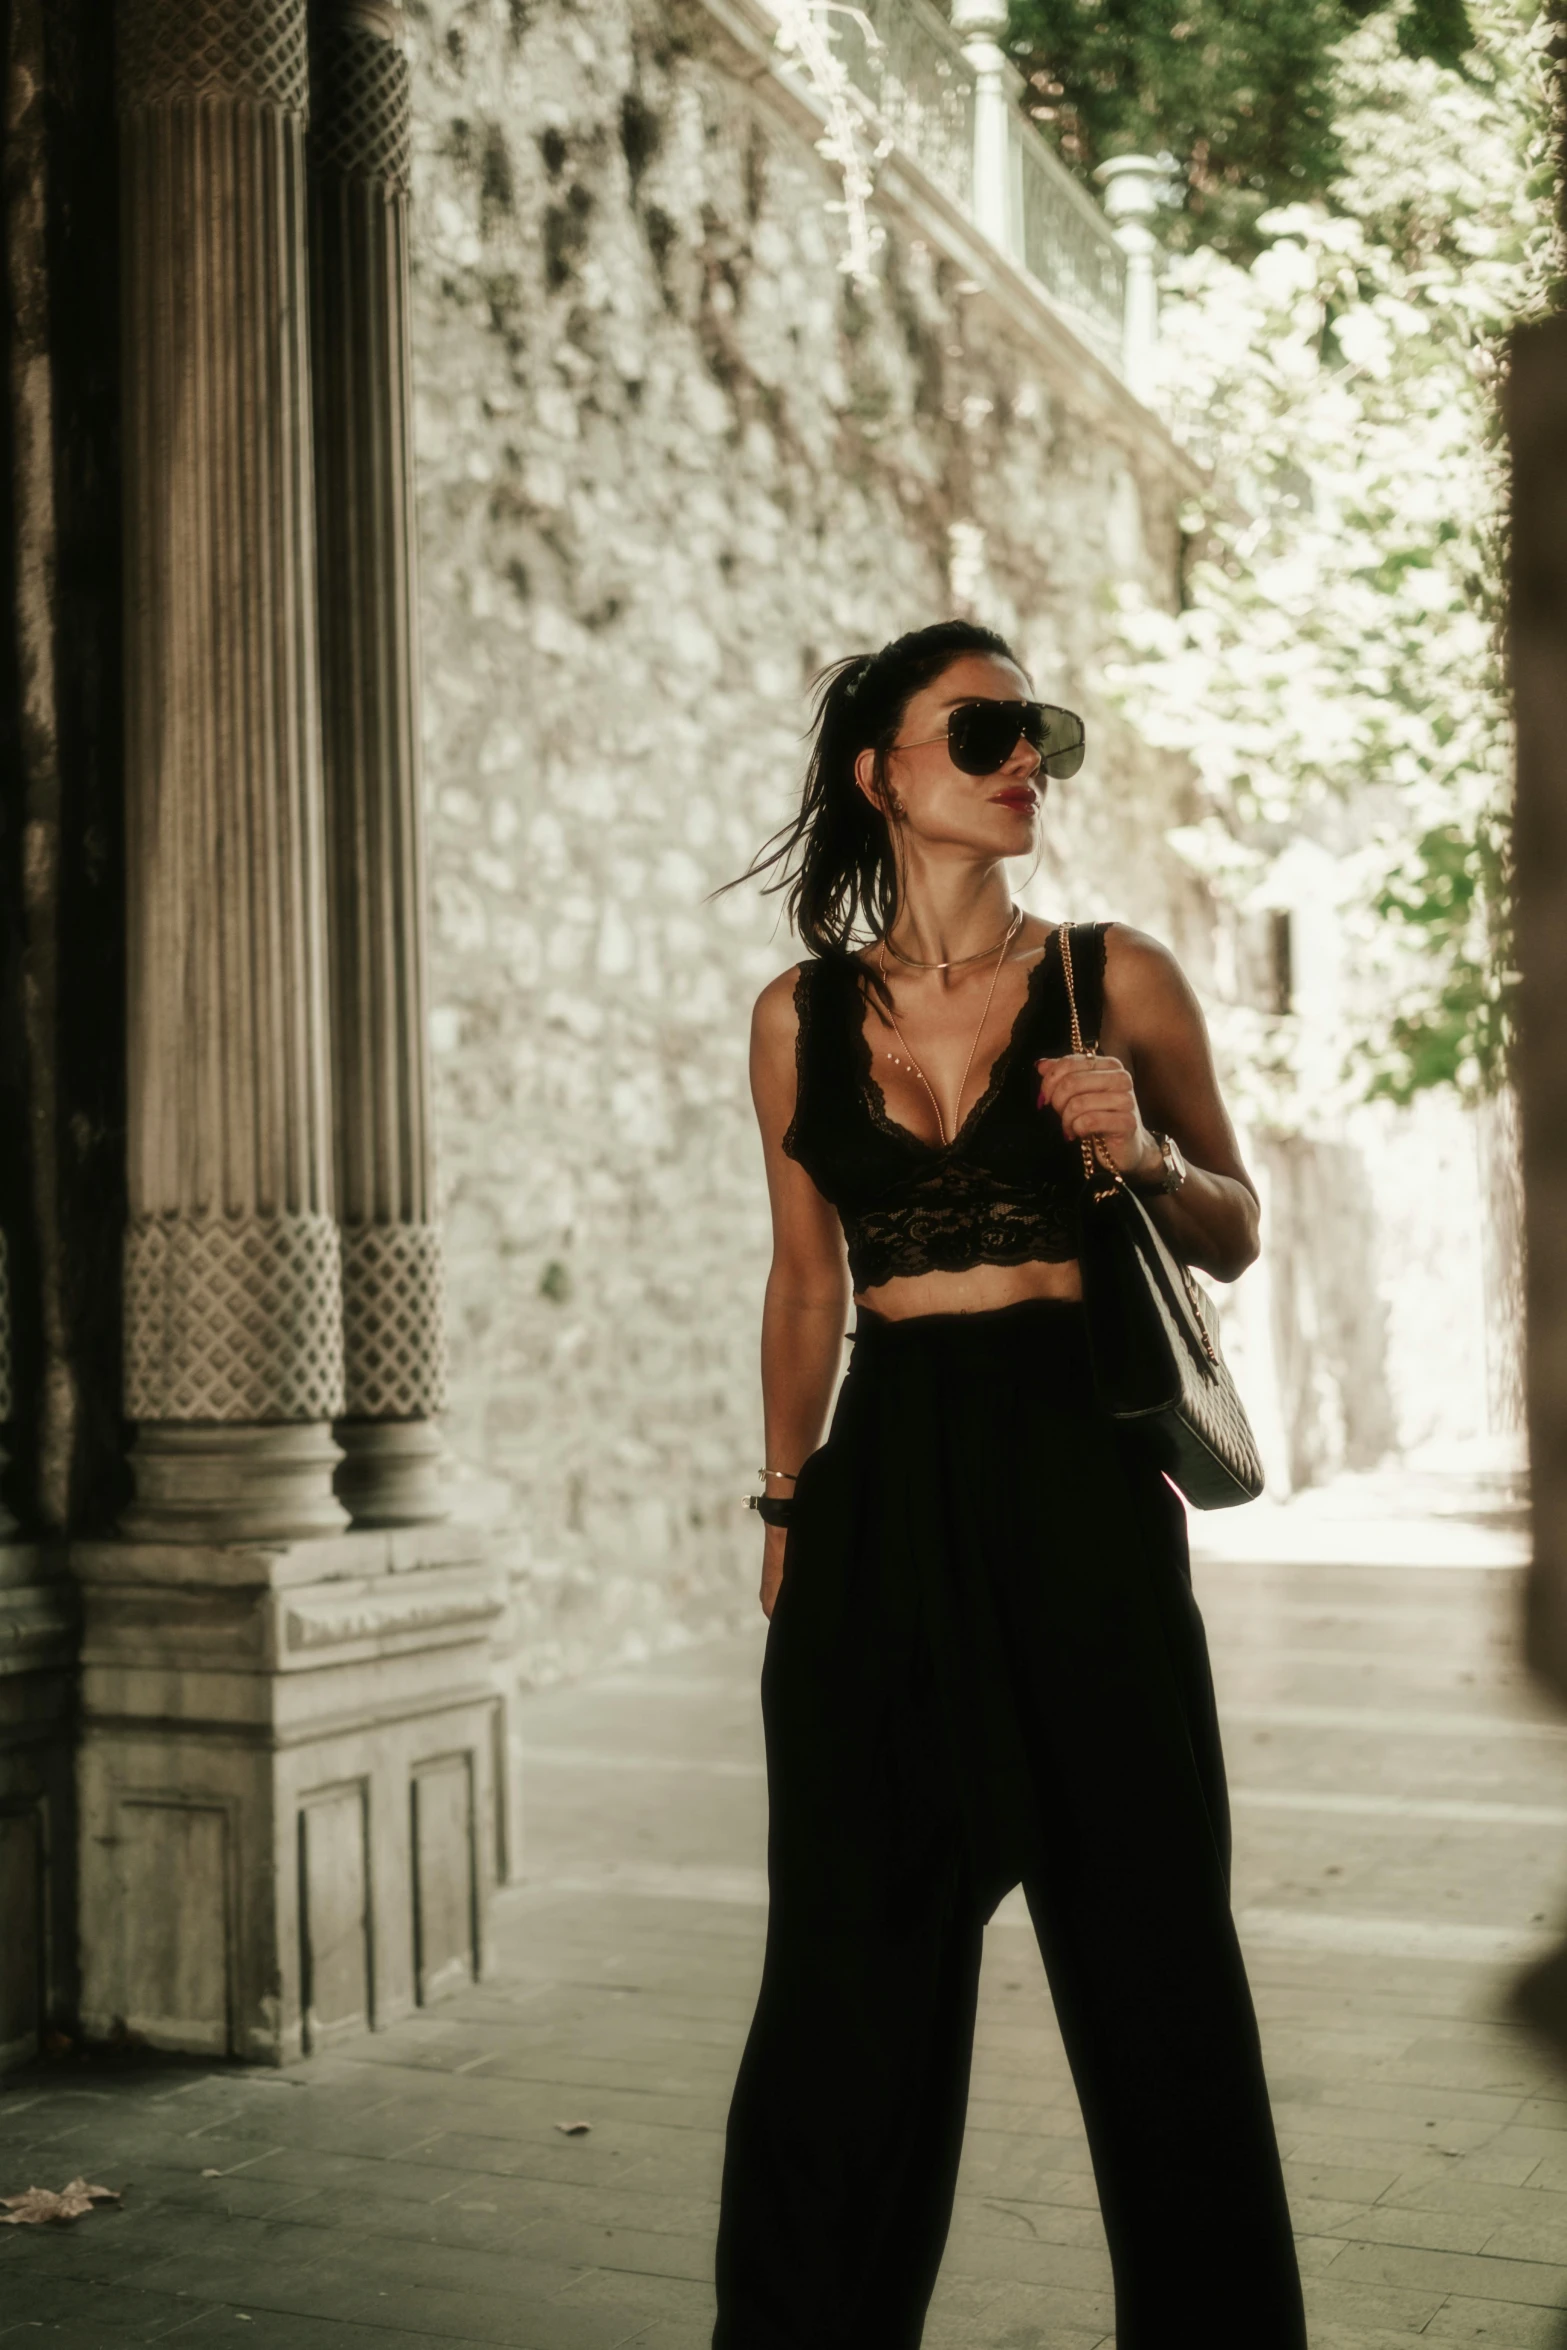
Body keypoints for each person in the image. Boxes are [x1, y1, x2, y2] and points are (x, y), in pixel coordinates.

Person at [709, 620, 1308, 2350]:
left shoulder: (1114, 976)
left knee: (1154, 1977)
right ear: (877, 770)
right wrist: (780, 1503)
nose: (1022, 757)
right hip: (879, 1494)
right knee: (842, 1985)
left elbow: (1236, 1228)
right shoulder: (796, 1015)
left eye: (1033, 730)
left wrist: (1148, 1149)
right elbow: (807, 1281)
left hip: (1080, 1490)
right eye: (980, 731)